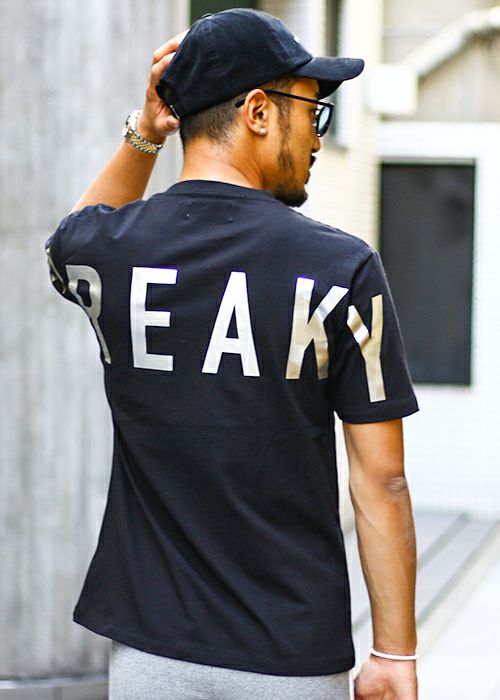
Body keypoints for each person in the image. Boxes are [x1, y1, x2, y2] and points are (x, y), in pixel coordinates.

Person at [45, 9, 419, 700]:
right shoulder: (341, 269)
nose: (317, 135)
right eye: (312, 110)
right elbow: (382, 480)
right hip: (290, 654)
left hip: (150, 653)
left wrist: (146, 131)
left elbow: (69, 240)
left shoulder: (112, 254)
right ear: (257, 111)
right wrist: (393, 653)